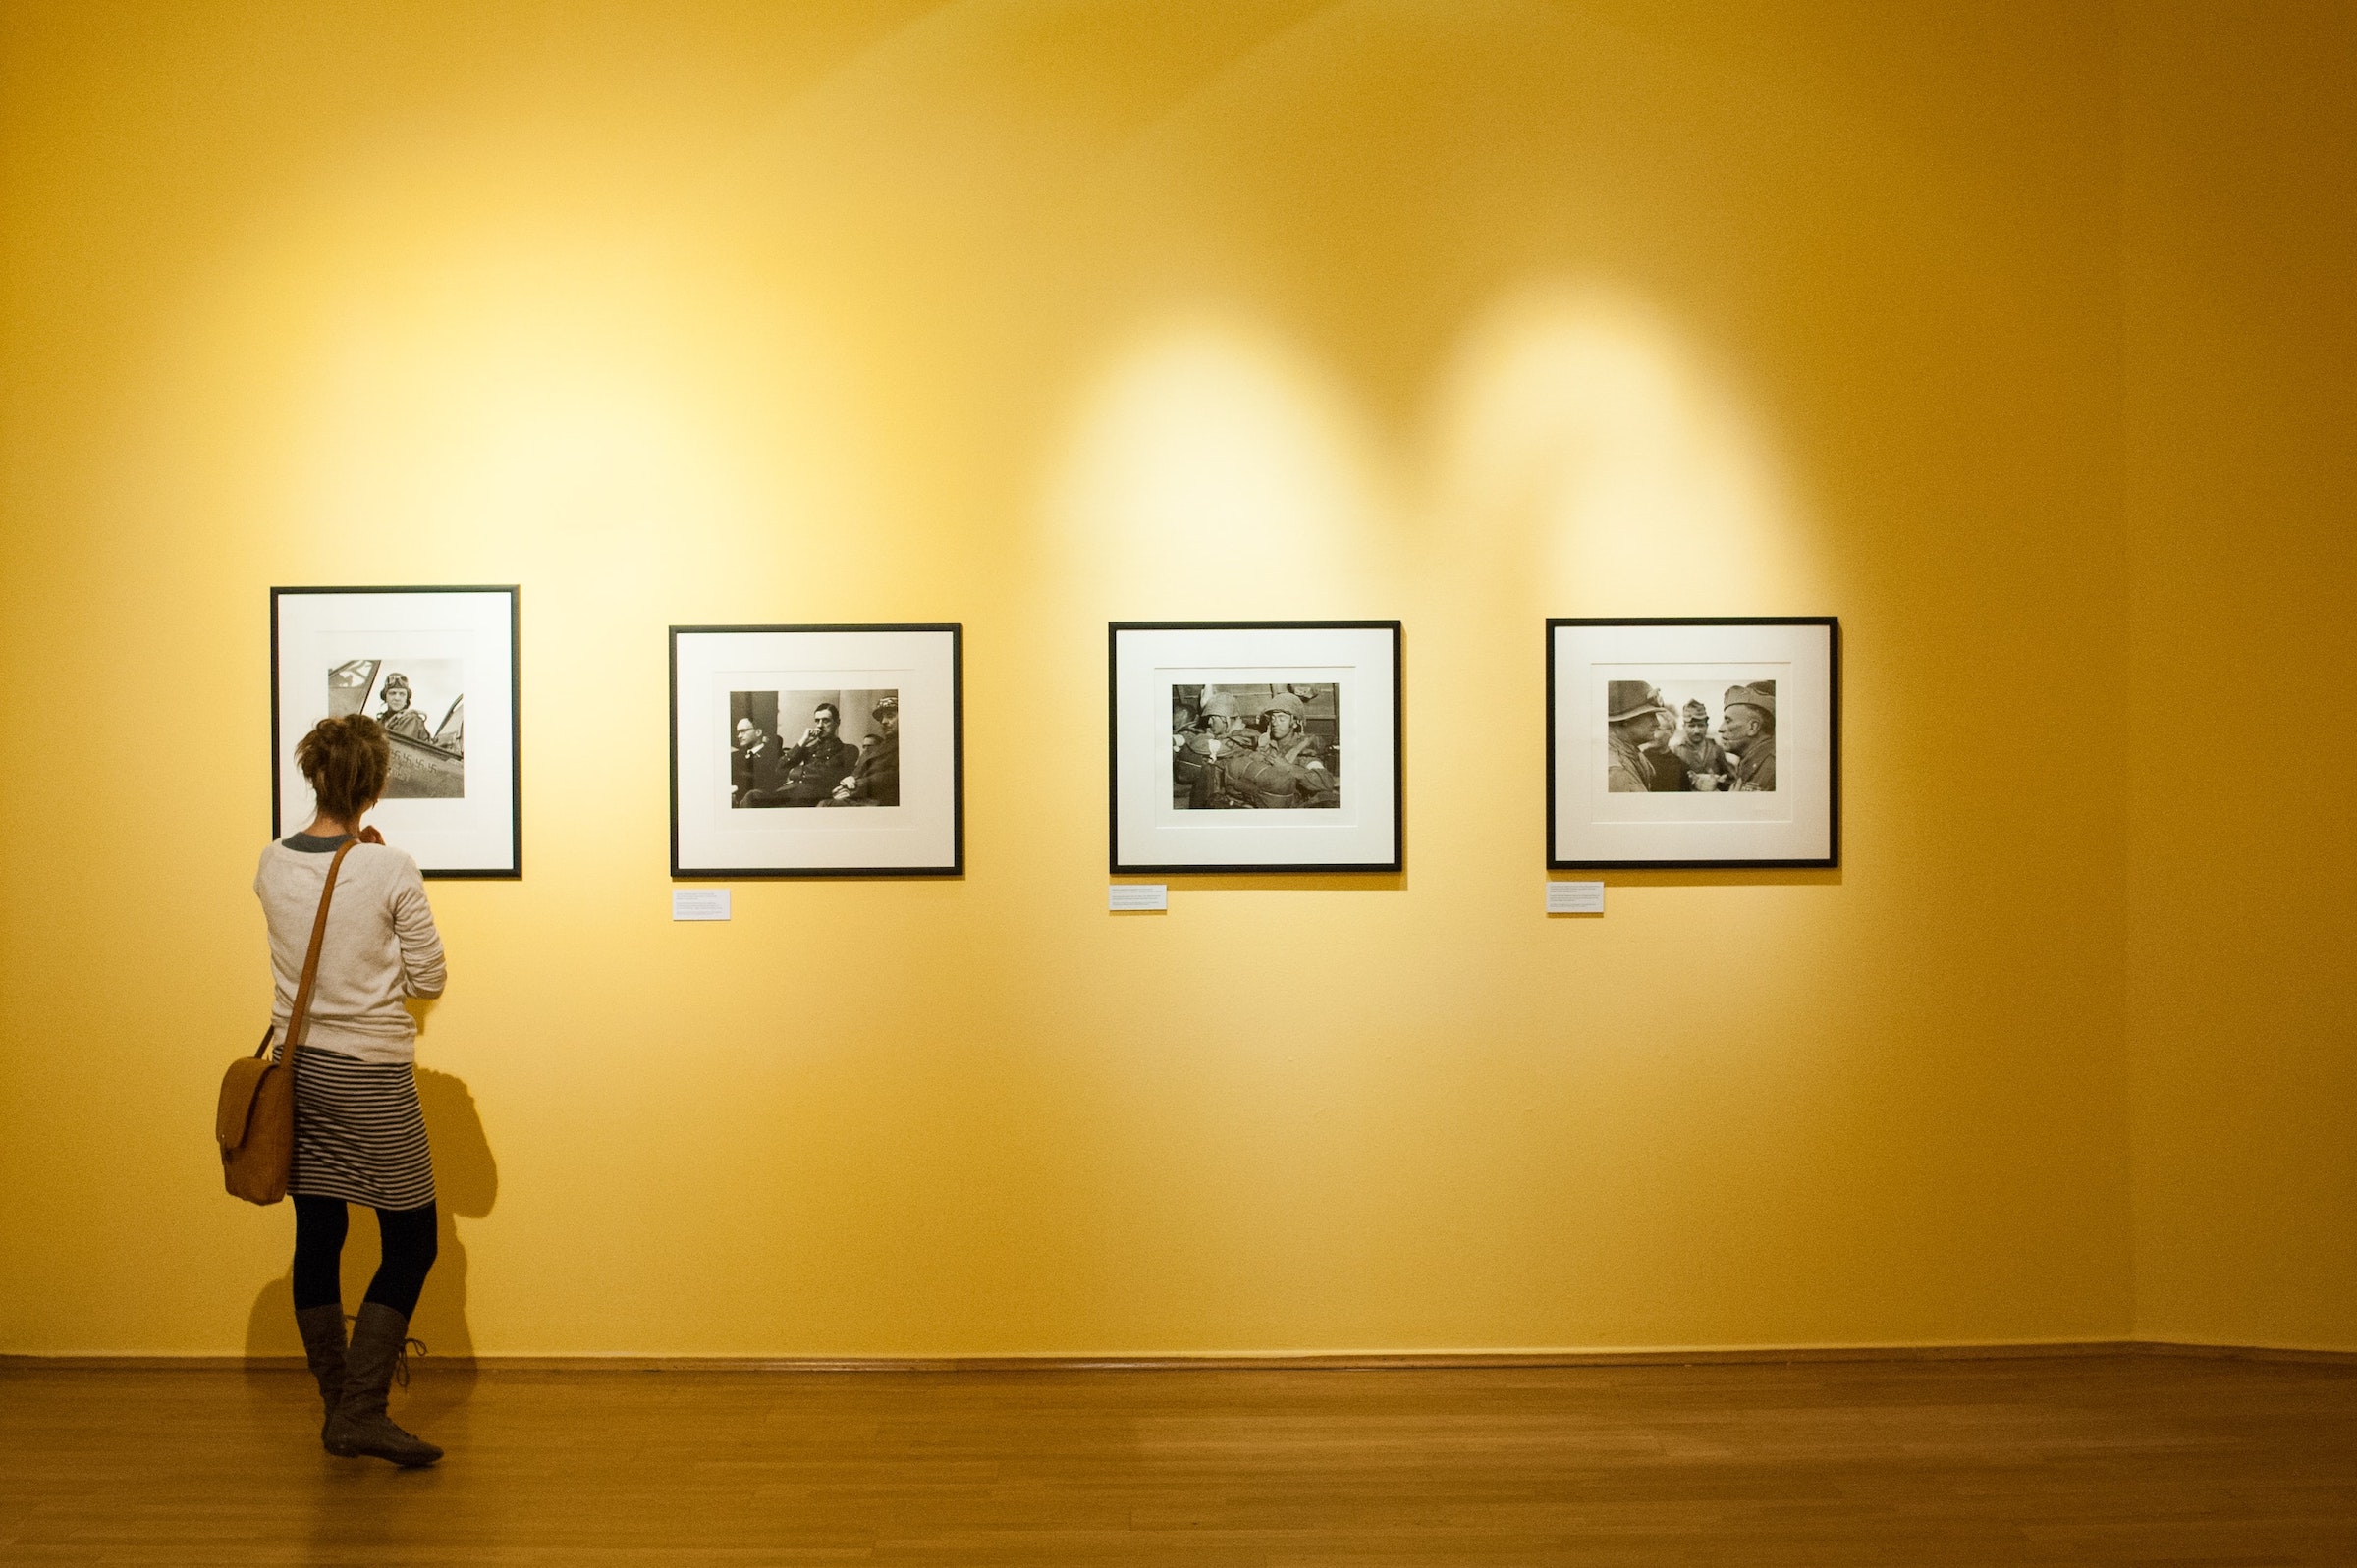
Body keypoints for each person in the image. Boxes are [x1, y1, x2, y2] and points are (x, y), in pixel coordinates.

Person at [254, 713, 448, 1468]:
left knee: (319, 1232)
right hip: (368, 1070)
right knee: (414, 1239)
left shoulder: (271, 861)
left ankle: (339, 1402)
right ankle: (361, 1411)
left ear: (313, 775)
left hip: (298, 1068)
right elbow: (428, 977)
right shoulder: (389, 865)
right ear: (376, 783)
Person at [822, 694, 900, 807]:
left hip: (882, 802)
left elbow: (891, 776)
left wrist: (854, 787)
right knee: (824, 803)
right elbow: (856, 773)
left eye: (890, 716)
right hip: (861, 797)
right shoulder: (873, 749)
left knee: (828, 805)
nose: (883, 721)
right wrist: (848, 780)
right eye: (881, 718)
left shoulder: (907, 747)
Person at [777, 701, 858, 806]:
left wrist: (794, 772)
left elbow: (827, 773)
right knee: (758, 797)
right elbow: (780, 767)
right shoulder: (809, 749)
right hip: (790, 793)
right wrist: (803, 741)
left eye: (825, 720)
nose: (820, 725)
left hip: (812, 799)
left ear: (837, 722)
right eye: (817, 721)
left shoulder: (848, 749)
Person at [1606, 681, 1670, 791]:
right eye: (1650, 715)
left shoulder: (1631, 752)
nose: (1657, 723)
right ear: (1626, 720)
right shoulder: (1616, 771)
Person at [1717, 681, 1777, 790]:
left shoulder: (1773, 768)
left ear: (1753, 727)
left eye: (1728, 721)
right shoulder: (1752, 761)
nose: (1720, 729)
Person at [731, 715, 793, 807]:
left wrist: (736, 788)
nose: (739, 736)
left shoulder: (773, 755)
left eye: (743, 731)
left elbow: (768, 783)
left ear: (758, 732)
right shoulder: (734, 756)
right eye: (738, 733)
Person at [1672, 699, 1727, 790]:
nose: (1696, 731)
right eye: (1691, 726)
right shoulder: (1676, 751)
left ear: (1707, 726)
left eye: (1701, 725)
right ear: (1684, 727)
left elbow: (1730, 779)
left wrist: (1718, 781)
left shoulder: (1716, 749)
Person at [374, 674, 432, 742]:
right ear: (385, 697)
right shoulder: (382, 721)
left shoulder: (411, 720)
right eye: (392, 693)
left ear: (406, 699)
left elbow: (398, 746)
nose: (397, 698)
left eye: (402, 694)